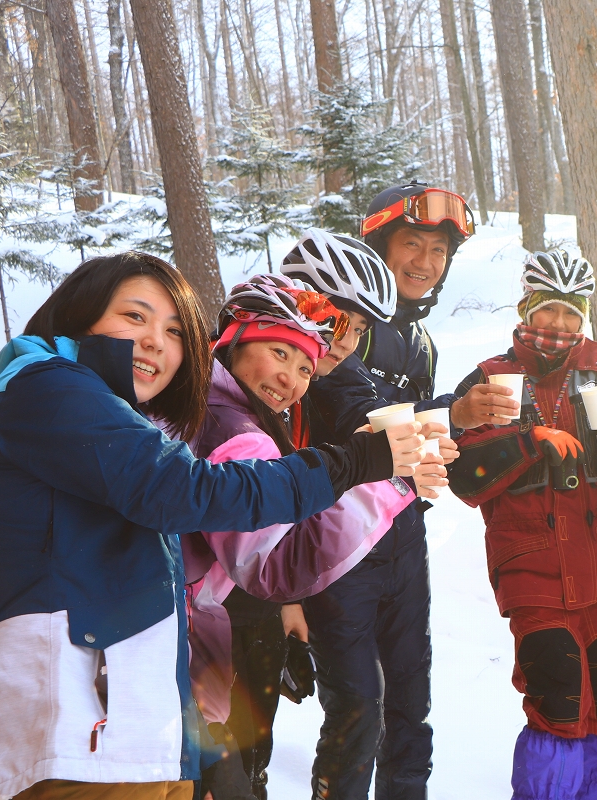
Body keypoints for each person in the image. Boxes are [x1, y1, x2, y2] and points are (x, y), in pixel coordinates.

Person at [0, 252, 427, 800]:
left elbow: (164, 587)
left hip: (135, 726)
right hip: (68, 733)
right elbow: (196, 498)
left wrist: (195, 747)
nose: (156, 340)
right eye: (135, 317)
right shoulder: (47, 387)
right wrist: (360, 466)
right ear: (79, 314)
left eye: (175, 330)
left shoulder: (131, 419)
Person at [182, 275, 446, 800]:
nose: (292, 378)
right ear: (233, 337)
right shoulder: (239, 433)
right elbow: (276, 564)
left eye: (305, 367)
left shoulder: (202, 403)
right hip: (188, 658)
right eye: (279, 351)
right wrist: (394, 483)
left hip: (184, 648)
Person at [285, 204, 508, 800]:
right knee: (359, 710)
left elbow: (407, 435)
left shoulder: (418, 336)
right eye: (413, 244)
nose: (425, 262)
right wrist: (453, 413)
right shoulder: (340, 320)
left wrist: (459, 430)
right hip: (337, 545)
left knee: (411, 702)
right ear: (382, 244)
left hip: (402, 536)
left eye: (439, 252)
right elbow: (362, 414)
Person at [448, 250, 597, 800]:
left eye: (572, 313)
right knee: (559, 699)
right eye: (549, 311)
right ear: (526, 309)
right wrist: (526, 442)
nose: (560, 325)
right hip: (532, 564)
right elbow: (466, 479)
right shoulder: (491, 379)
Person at [218, 241, 409, 800]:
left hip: (255, 595)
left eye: (356, 333)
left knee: (252, 755)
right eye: (337, 323)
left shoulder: (293, 395)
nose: (342, 345)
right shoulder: (237, 418)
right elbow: (266, 528)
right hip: (224, 609)